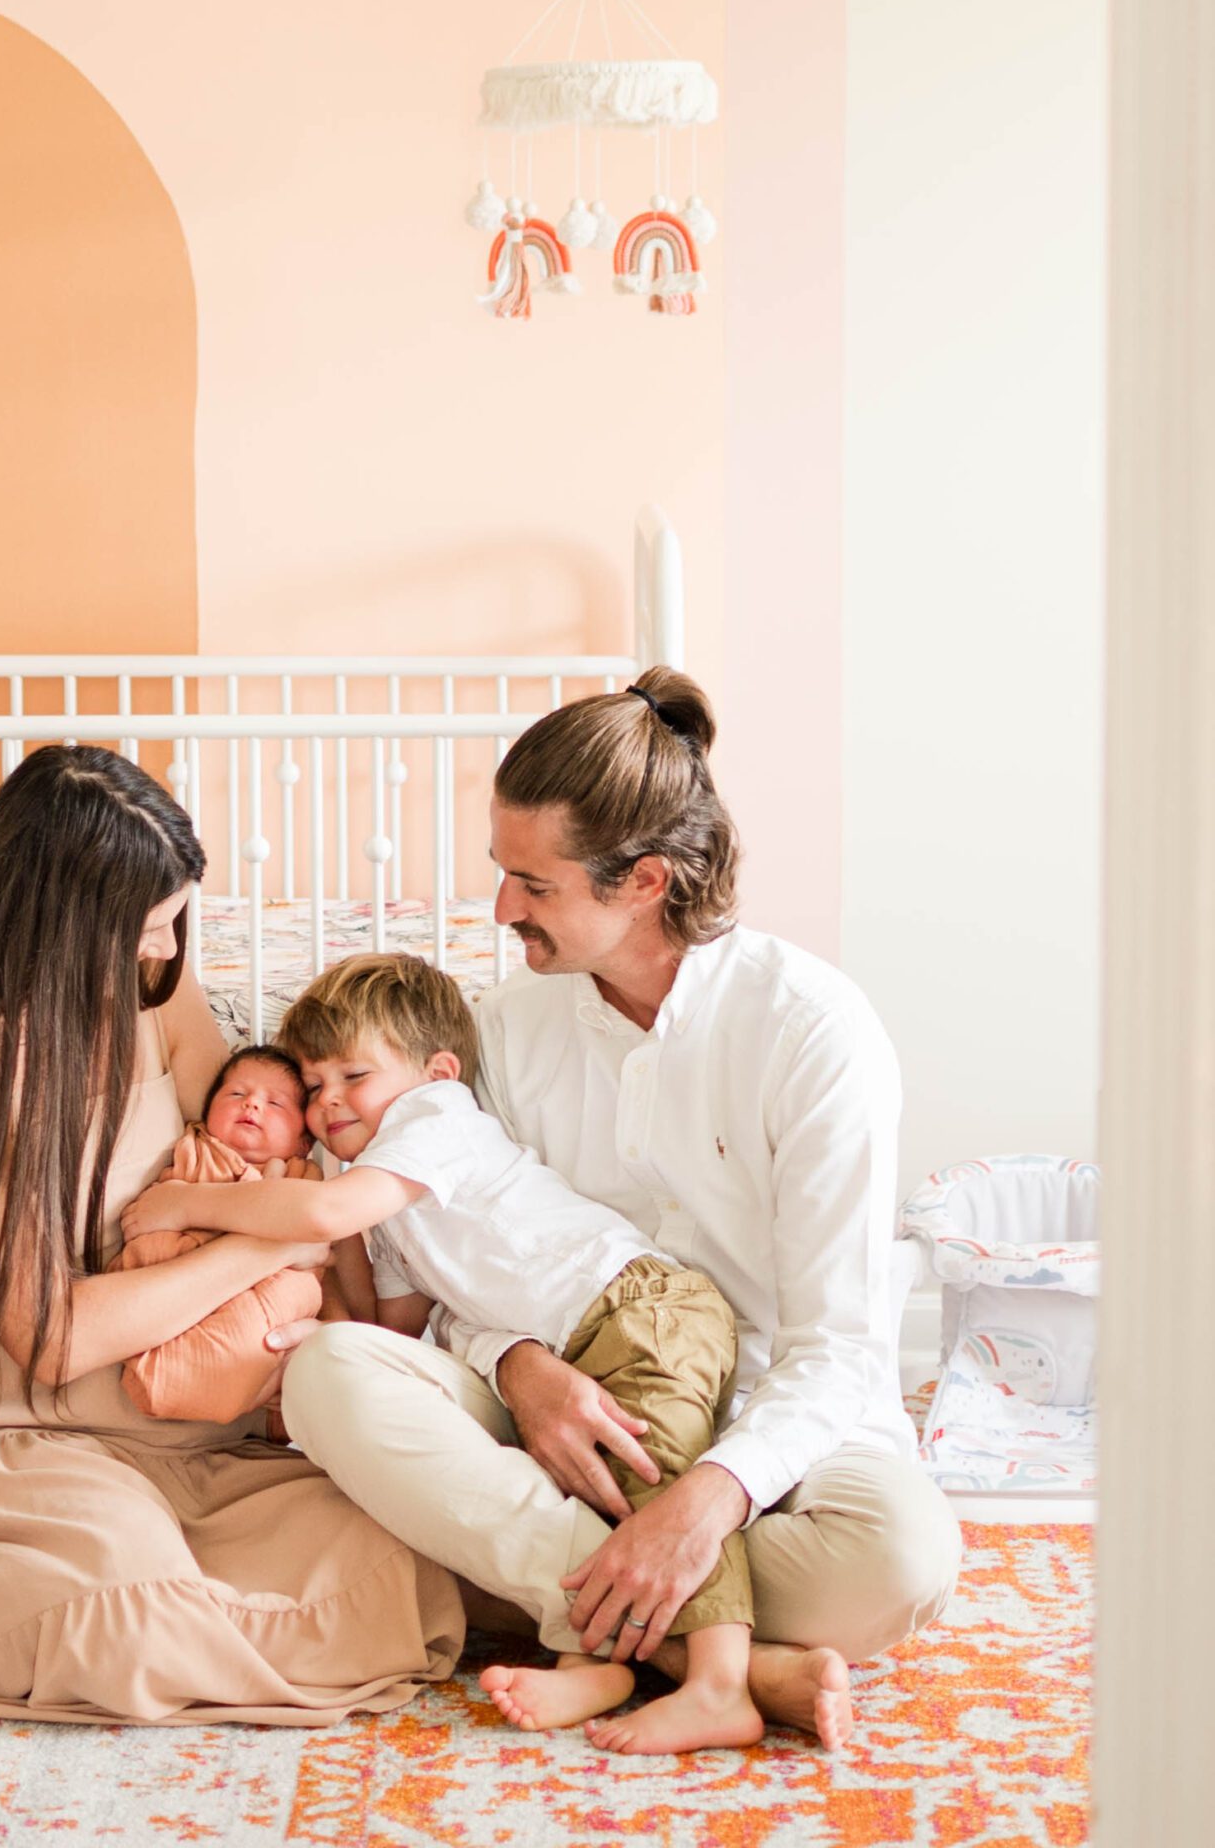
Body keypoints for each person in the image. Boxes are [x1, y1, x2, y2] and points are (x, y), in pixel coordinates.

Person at [273, 670, 963, 1752]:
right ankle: (710, 1657)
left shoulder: (812, 1031)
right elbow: (454, 1262)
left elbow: (836, 1346)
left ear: (643, 880)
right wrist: (518, 1368)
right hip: (560, 1416)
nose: (500, 910)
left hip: (767, 1425)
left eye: (531, 885)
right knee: (325, 1374)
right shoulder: (499, 1032)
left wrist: (711, 1500)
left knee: (902, 1562)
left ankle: (581, 1599)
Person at [0, 746, 461, 1726]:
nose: (165, 951)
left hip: (190, 1423)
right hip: (13, 1428)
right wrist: (273, 1245)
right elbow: (54, 1338)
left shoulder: (159, 999)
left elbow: (266, 1159)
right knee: (125, 1622)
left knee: (390, 1555)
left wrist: (304, 1222)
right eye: (148, 928)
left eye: (175, 924)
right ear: (70, 922)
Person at [124, 952, 764, 1755]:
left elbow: (327, 1209)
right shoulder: (384, 1198)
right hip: (568, 1344)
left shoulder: (434, 1120)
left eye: (352, 1076)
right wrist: (321, 1280)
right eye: (314, 1089)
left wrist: (193, 1200)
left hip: (639, 1308)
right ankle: (592, 1660)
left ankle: (721, 1687)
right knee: (601, 1495)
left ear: (437, 1070)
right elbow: (388, 1324)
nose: (329, 1104)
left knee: (658, 1488)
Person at [113, 1043, 369, 1422]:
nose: (251, 1105)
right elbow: (152, 1238)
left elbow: (323, 1272)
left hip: (267, 1319)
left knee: (301, 1298)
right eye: (236, 1094)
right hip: (187, 1291)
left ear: (303, 1142)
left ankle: (257, 1390)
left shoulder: (309, 1181)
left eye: (275, 1104)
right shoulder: (197, 1154)